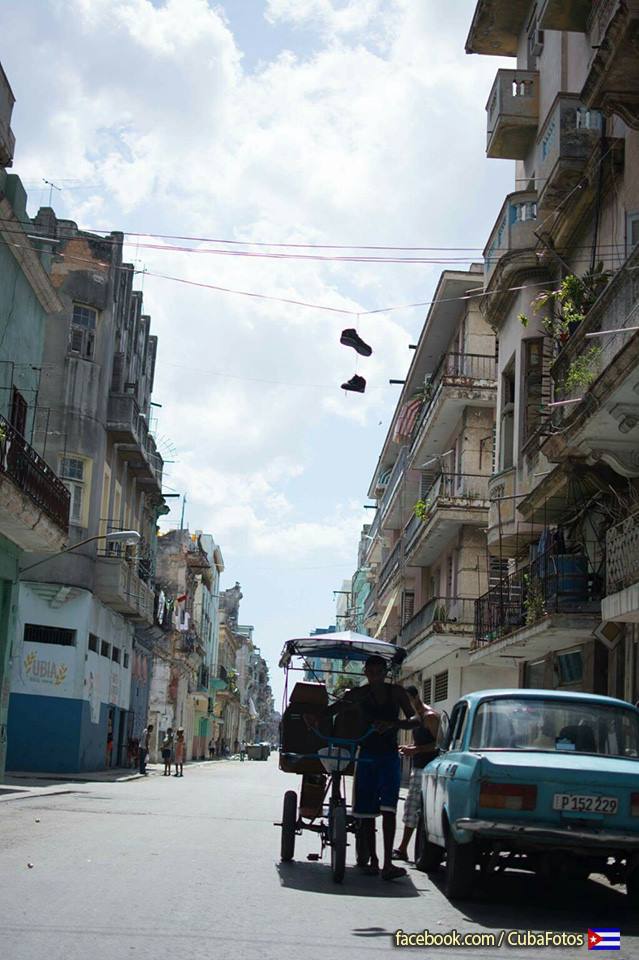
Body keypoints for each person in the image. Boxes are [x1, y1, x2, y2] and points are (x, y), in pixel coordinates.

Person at [305, 654, 419, 881]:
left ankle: (387, 863)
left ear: (385, 673)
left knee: (389, 811)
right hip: (366, 755)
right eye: (371, 672)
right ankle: (374, 860)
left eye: (380, 673)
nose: (375, 677)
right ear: (366, 673)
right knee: (365, 814)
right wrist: (315, 718)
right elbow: (333, 709)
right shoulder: (358, 694)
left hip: (389, 756)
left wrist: (393, 724)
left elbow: (416, 718)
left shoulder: (396, 692)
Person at [392, 686, 439, 862]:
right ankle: (405, 848)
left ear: (415, 697)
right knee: (412, 809)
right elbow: (422, 740)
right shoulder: (416, 718)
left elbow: (439, 744)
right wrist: (411, 748)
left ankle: (404, 848)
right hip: (418, 766)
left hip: (428, 769)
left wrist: (416, 750)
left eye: (407, 701)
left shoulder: (430, 717)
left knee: (414, 809)